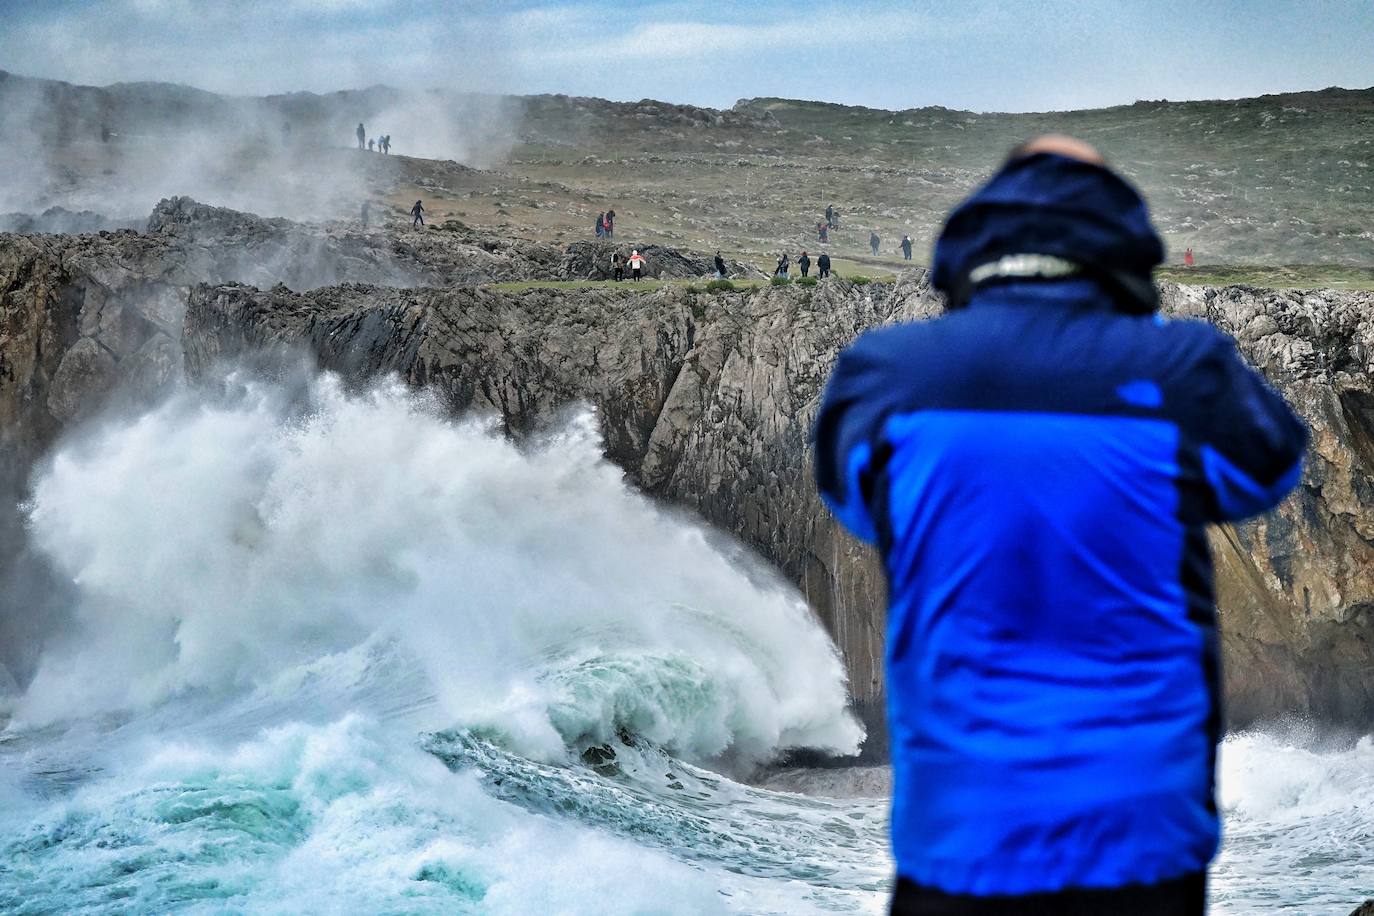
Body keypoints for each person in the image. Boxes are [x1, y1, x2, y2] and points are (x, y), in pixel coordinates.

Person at [813, 135, 1307, 915]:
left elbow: (856, 502)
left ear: (979, 235)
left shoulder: (890, 376)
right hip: (1139, 834)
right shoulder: (1181, 371)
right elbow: (1269, 468)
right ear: (1119, 236)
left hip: (961, 831)